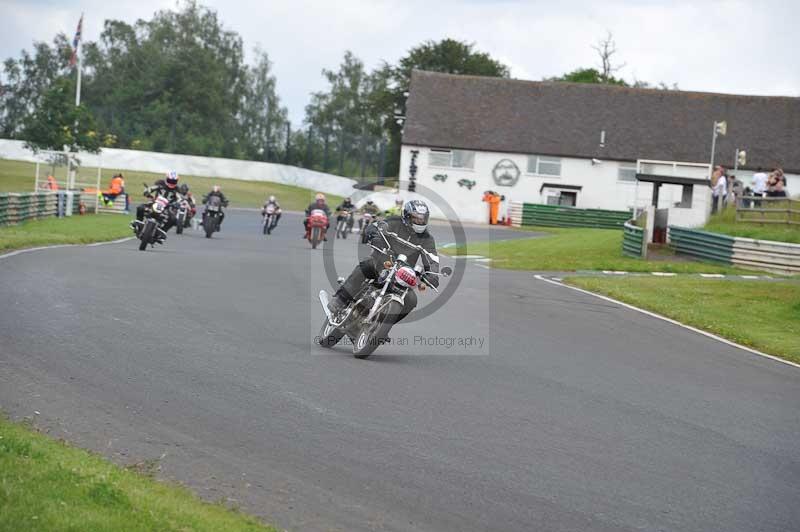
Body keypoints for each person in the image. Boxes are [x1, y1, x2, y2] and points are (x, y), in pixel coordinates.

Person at [328, 199, 439, 324]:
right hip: (381, 261)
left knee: (411, 300)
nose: (420, 221)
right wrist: (373, 235)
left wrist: (433, 274)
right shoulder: (393, 222)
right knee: (366, 267)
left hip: (402, 273)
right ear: (407, 216)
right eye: (416, 218)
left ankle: (382, 325)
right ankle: (341, 299)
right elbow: (375, 226)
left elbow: (432, 258)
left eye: (423, 219)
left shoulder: (427, 238)